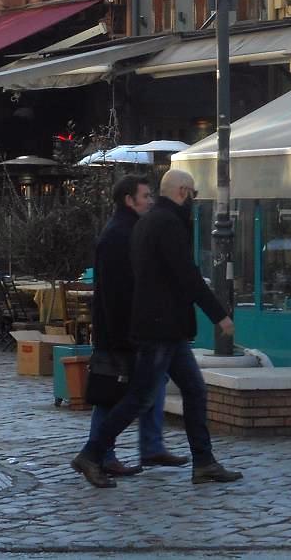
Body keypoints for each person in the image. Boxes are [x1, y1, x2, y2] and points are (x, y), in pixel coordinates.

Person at [71, 169, 242, 488]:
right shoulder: (166, 224)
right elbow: (186, 274)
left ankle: (204, 461)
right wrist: (219, 315)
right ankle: (91, 454)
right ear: (182, 191)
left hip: (165, 327)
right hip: (160, 327)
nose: (194, 199)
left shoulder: (149, 222)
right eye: (193, 193)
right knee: (139, 397)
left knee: (193, 390)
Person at [84, 174, 186, 478]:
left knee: (151, 384)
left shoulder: (131, 230)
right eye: (145, 196)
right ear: (129, 200)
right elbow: (116, 292)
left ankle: (149, 445)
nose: (150, 201)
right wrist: (123, 335)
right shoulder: (118, 235)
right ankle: (102, 454)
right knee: (114, 393)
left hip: (136, 327)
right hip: (122, 331)